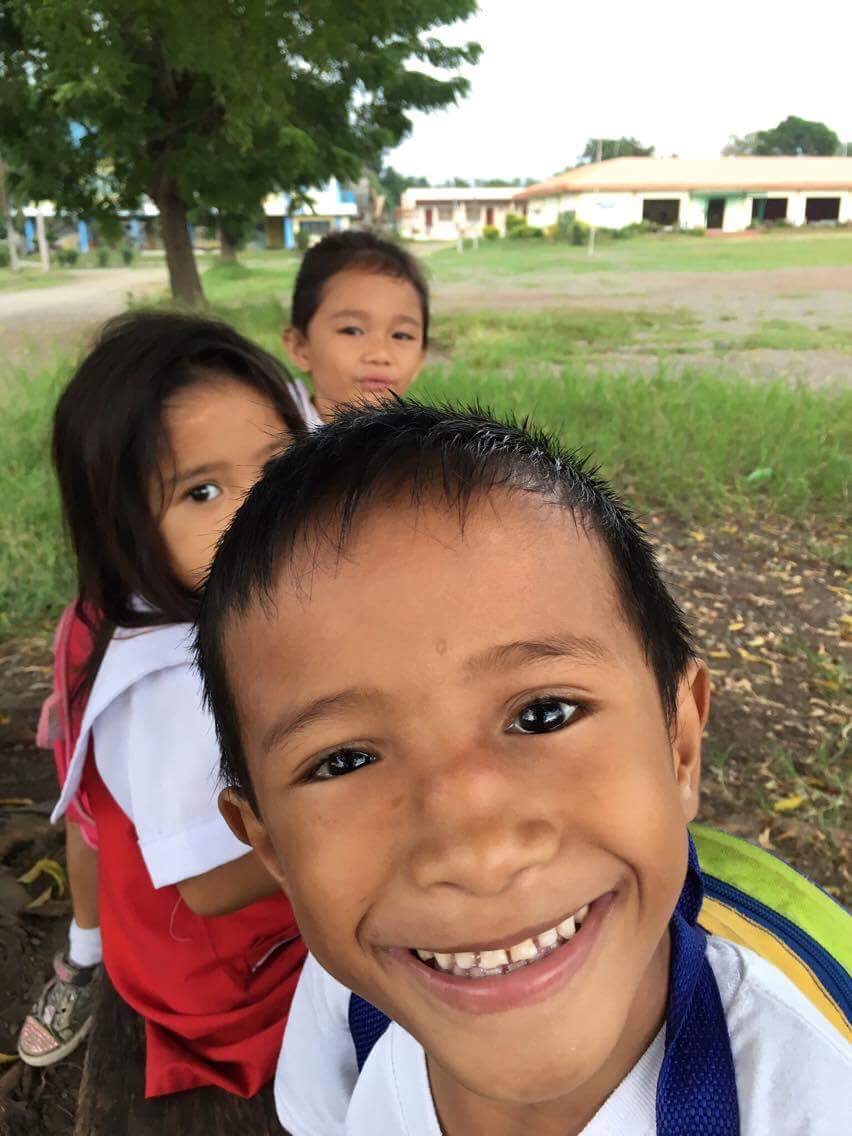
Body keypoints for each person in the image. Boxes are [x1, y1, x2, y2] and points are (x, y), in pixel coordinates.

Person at [196, 402, 850, 1136]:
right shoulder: (345, 1003)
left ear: (680, 747)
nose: (478, 854)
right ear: (272, 848)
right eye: (345, 760)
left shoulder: (812, 1101)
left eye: (543, 715)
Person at [18, 310, 309, 1099]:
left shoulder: (229, 597)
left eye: (279, 464)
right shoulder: (174, 688)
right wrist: (361, 821)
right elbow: (209, 887)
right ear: (128, 533)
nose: (260, 510)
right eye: (202, 491)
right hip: (227, 975)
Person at [282, 229, 428, 426]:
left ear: (420, 359)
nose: (380, 355)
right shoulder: (264, 431)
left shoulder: (423, 441)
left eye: (401, 335)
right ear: (300, 348)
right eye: (352, 331)